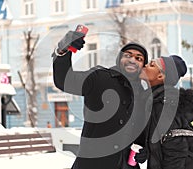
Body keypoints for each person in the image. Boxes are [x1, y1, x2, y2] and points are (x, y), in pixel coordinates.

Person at [51, 30, 149, 169]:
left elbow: (140, 134)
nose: (133, 60)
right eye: (128, 55)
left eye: (139, 58)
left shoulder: (143, 96)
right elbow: (65, 81)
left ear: (142, 66)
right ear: (119, 59)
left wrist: (144, 151)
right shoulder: (100, 78)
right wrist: (63, 50)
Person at [136, 55, 193, 169]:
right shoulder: (155, 101)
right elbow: (162, 141)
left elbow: (177, 151)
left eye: (151, 65)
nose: (145, 65)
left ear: (160, 76)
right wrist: (147, 150)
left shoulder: (165, 104)